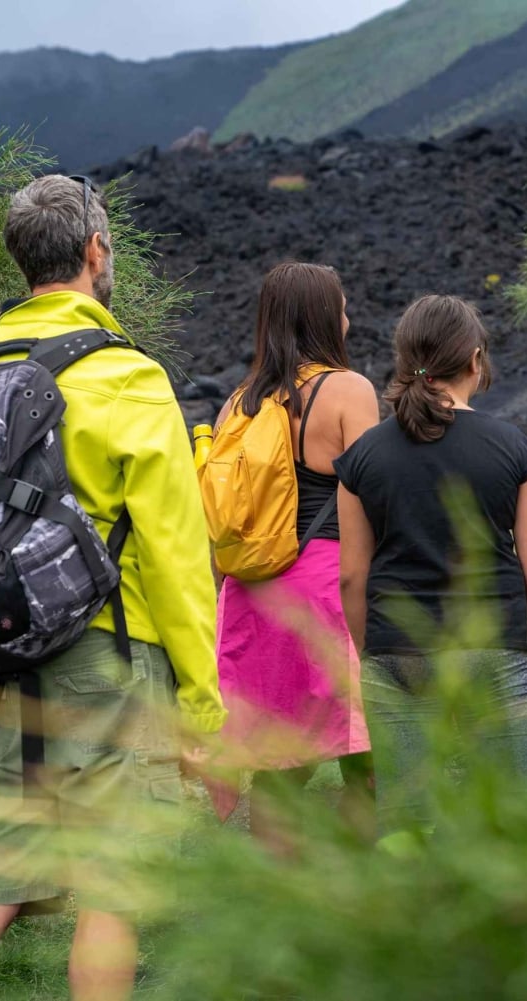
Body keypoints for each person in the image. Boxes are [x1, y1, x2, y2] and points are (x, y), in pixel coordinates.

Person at [0, 174, 226, 1001]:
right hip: (112, 664)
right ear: (94, 252)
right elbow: (176, 551)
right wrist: (201, 703)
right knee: (112, 886)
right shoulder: (125, 374)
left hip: (0, 665)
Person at [333, 294, 527, 843]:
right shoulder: (513, 449)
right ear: (475, 360)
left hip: (398, 653)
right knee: (513, 816)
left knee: (407, 822)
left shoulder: (364, 457)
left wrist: (376, 655)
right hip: (494, 650)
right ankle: (510, 923)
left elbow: (351, 578)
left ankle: (412, 923)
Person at [213, 261, 378, 850]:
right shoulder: (347, 390)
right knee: (367, 749)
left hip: (249, 597)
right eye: (340, 306)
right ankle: (370, 888)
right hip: (325, 587)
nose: (348, 317)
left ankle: (279, 903)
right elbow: (372, 497)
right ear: (323, 318)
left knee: (280, 766)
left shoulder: (239, 403)